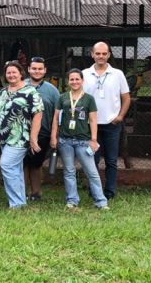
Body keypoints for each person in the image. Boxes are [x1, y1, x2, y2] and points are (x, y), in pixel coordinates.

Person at [50, 69, 108, 210]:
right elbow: (56, 118)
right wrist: (53, 136)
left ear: (82, 81)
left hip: (83, 141)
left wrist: (93, 140)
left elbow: (93, 120)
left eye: (77, 79)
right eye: (72, 79)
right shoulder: (62, 98)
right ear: (68, 81)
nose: (74, 82)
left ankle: (101, 202)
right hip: (65, 141)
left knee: (92, 172)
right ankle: (72, 200)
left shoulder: (89, 99)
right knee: (69, 171)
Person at [0, 61, 43, 209]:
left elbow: (38, 115)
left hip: (20, 138)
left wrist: (33, 138)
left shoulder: (30, 92)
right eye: (8, 72)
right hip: (3, 139)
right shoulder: (2, 92)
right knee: (16, 170)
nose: (11, 75)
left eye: (14, 72)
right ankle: (21, 203)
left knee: (6, 165)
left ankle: (16, 204)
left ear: (21, 73)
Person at [82, 41, 130, 200]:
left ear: (109, 55)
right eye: (98, 53)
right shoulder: (84, 74)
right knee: (92, 161)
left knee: (111, 160)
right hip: (90, 126)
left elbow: (126, 98)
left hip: (111, 124)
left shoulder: (118, 74)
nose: (101, 56)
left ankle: (109, 191)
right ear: (92, 54)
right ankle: (94, 191)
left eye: (104, 53)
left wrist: (120, 117)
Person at [23, 56, 60, 201]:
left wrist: (54, 134)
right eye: (34, 68)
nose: (36, 71)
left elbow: (58, 114)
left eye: (40, 69)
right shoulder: (21, 85)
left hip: (43, 133)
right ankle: (23, 192)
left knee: (36, 163)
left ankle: (36, 193)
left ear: (45, 71)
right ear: (28, 69)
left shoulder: (52, 90)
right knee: (23, 163)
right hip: (22, 133)